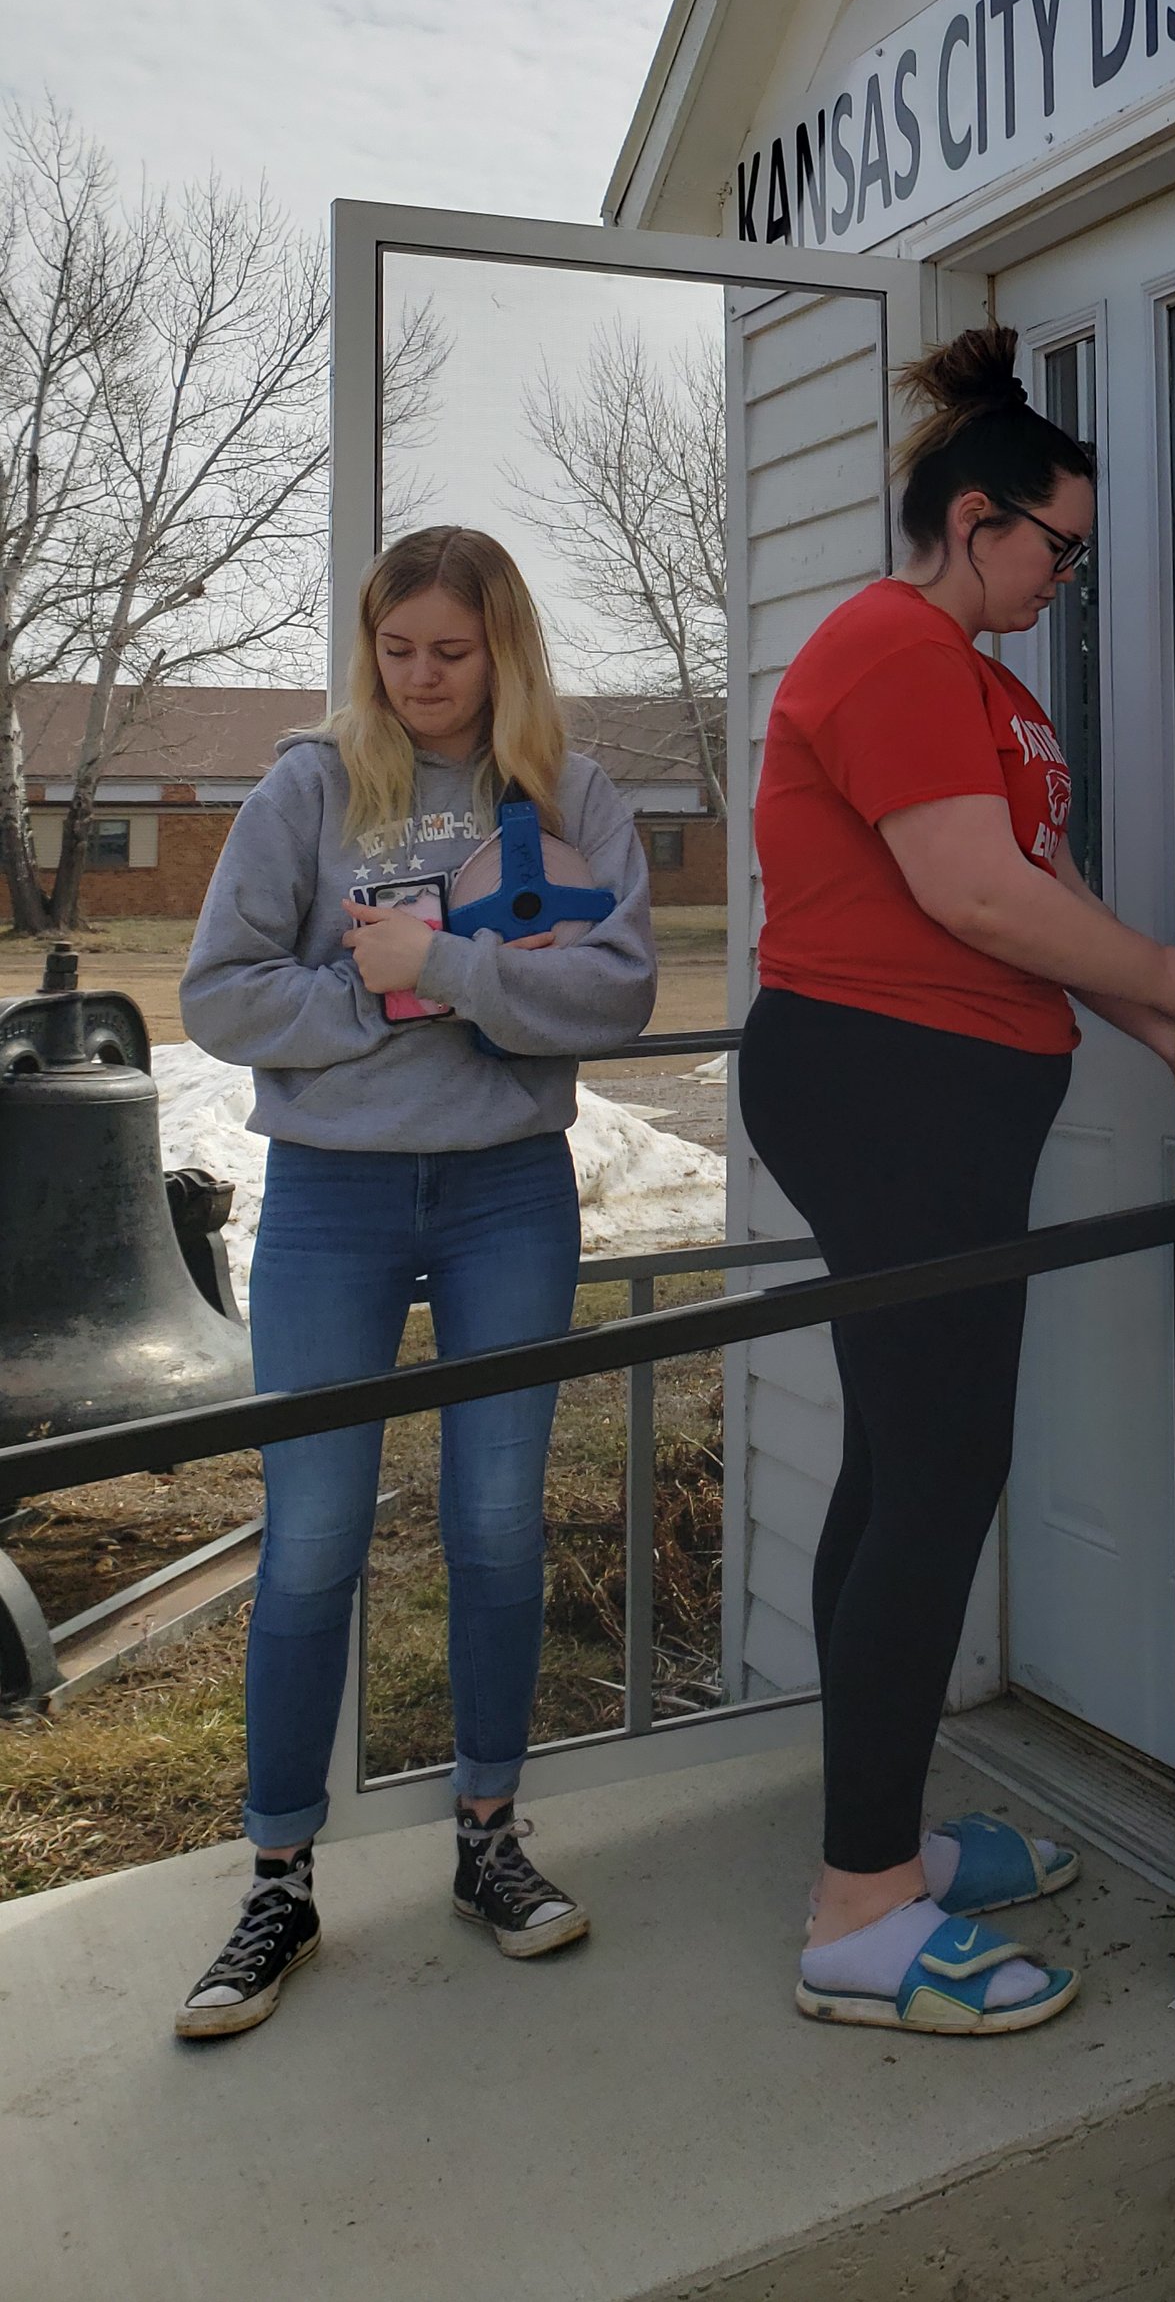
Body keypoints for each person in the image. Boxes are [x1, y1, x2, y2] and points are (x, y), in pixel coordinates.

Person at [740, 326, 1175, 2037]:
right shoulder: (886, 644)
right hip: (882, 1083)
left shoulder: (993, 690)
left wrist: (1154, 1015)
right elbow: (971, 896)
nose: (1068, 579)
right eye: (1059, 549)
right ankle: (859, 1916)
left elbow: (1045, 886)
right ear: (974, 519)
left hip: (944, 1093)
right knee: (941, 1469)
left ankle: (880, 1839)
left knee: (903, 1463)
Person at [172, 526, 658, 2038]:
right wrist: (371, 988)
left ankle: (488, 1838)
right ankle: (277, 1878)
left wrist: (443, 965)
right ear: (368, 649)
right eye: (399, 651)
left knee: (498, 1519)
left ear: (502, 647)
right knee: (312, 1532)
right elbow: (215, 991)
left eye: (453, 651)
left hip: (511, 1186)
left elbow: (620, 984)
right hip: (332, 1199)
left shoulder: (567, 793)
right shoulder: (307, 788)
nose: (425, 678)